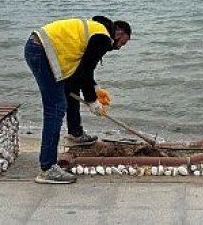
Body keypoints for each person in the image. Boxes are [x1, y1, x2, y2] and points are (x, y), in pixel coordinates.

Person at [24, 15, 131, 184]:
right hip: (41, 50)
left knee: (70, 89)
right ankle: (47, 168)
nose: (118, 48)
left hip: (40, 48)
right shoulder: (103, 38)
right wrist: (92, 101)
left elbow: (80, 73)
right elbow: (86, 71)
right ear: (119, 33)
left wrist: (94, 88)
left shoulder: (96, 30)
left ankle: (75, 133)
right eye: (122, 43)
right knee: (55, 108)